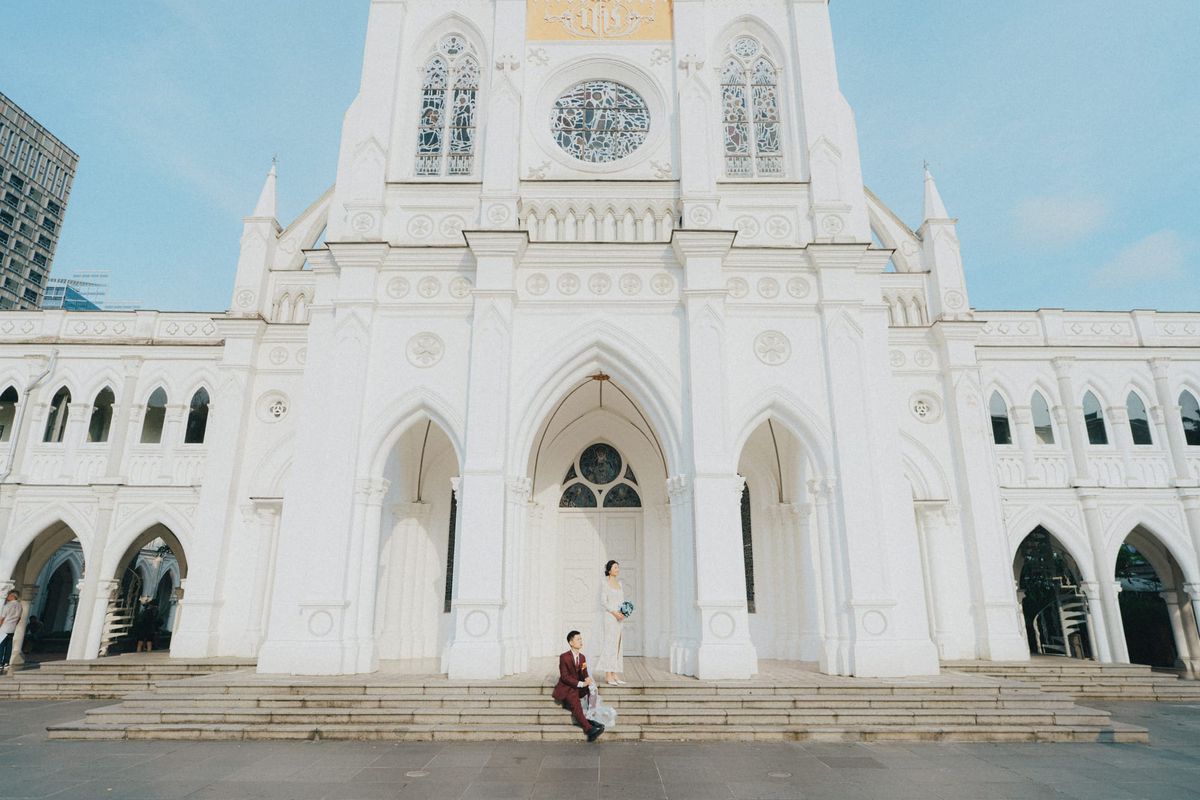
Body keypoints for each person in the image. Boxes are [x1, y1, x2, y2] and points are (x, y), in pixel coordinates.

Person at [552, 630, 605, 742]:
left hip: (578, 687)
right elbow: (565, 677)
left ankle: (590, 718)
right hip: (567, 687)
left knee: (593, 689)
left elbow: (584, 672)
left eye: (581, 639)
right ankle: (589, 730)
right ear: (571, 643)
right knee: (575, 700)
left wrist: (587, 679)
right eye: (578, 639)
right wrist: (580, 683)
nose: (581, 641)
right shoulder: (564, 657)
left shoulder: (582, 657)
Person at [596, 560, 626, 686]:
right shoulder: (605, 583)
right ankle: (608, 674)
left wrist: (623, 613)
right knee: (610, 644)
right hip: (610, 617)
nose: (617, 569)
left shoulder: (620, 584)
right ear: (609, 570)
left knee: (618, 644)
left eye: (618, 567)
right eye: (615, 567)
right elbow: (603, 602)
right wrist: (614, 613)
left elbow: (622, 601)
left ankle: (615, 673)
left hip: (619, 618)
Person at [0, 590, 21, 673]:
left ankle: (0, 662)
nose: (7, 596)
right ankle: (6, 662)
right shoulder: (19, 606)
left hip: (4, 628)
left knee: (1, 646)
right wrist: (14, 624)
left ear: (12, 596)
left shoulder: (8, 605)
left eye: (8, 595)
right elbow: (19, 618)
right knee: (9, 646)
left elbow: (2, 618)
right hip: (12, 628)